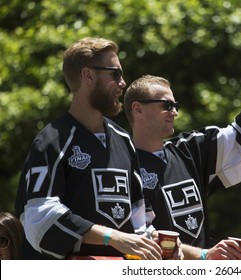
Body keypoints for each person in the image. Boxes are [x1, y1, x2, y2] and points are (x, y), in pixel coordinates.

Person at [123, 53, 241, 260]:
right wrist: (205, 256)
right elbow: (143, 237)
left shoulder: (190, 150)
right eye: (166, 106)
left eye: (176, 106)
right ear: (138, 109)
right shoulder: (124, 166)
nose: (175, 113)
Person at [14, 37, 165, 260]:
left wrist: (157, 242)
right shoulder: (51, 140)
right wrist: (111, 237)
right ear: (88, 76)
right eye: (115, 74)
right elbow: (38, 218)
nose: (123, 83)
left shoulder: (123, 139)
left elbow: (138, 217)